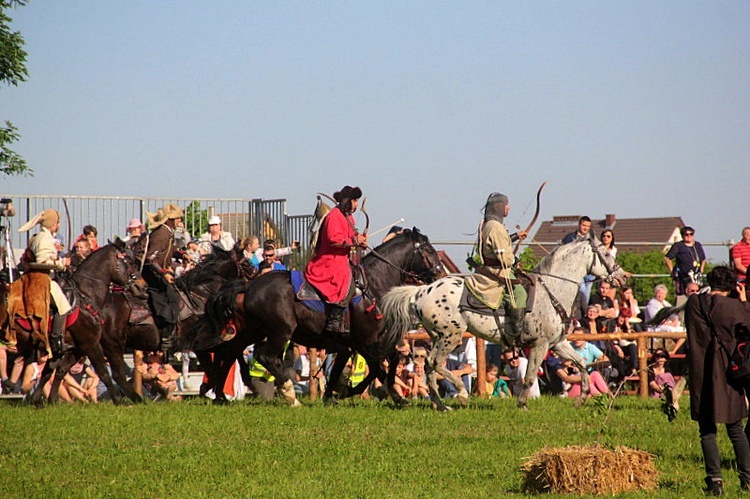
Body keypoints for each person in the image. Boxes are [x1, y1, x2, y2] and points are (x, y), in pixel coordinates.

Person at [685, 266, 750, 495]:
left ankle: (715, 481)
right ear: (732, 285)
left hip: (702, 371)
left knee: (707, 430)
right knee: (735, 428)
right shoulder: (735, 308)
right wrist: (743, 302)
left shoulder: (694, 303)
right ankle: (747, 477)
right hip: (728, 373)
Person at [465, 192, 528, 342]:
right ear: (499, 207)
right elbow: (504, 258)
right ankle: (516, 335)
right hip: (498, 272)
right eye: (506, 205)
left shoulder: (490, 225)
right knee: (520, 294)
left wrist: (514, 237)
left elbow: (497, 244)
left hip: (494, 267)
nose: (509, 208)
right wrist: (514, 260)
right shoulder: (495, 227)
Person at [304, 185, 367, 334]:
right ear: (348, 201)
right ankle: (334, 321)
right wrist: (354, 241)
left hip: (341, 258)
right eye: (355, 201)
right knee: (346, 282)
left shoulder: (348, 217)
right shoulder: (334, 216)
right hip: (329, 260)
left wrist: (360, 241)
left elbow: (351, 238)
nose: (356, 204)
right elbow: (334, 239)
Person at [18, 208, 73, 354]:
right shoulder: (44, 238)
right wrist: (62, 263)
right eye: (57, 223)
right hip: (42, 279)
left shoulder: (42, 237)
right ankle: (57, 340)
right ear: (52, 224)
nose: (58, 226)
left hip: (36, 278)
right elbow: (43, 262)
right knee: (63, 307)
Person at [133, 203, 184, 347]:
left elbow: (167, 250)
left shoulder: (167, 232)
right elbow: (151, 259)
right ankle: (165, 334)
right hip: (150, 273)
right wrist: (164, 273)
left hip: (159, 271)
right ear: (170, 220)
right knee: (166, 296)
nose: (180, 222)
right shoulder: (162, 233)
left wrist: (182, 254)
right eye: (178, 219)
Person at [665, 226, 706, 300]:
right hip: (683, 275)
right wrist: (672, 271)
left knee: (698, 293)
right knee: (683, 295)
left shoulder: (697, 245)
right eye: (686, 234)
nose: (689, 236)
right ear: (682, 235)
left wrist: (701, 270)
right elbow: (667, 258)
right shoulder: (678, 246)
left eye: (691, 234)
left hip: (696, 275)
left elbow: (703, 259)